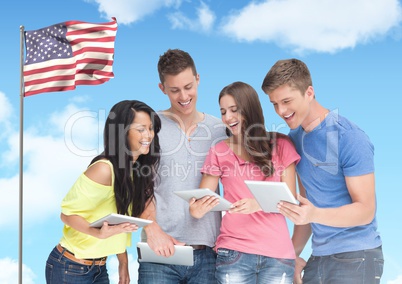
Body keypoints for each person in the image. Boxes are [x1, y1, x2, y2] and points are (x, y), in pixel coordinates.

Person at [261, 58, 384, 284]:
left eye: (287, 101)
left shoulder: (349, 137)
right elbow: (306, 206)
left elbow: (366, 210)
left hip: (357, 256)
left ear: (309, 92)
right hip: (319, 256)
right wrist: (291, 256)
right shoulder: (295, 139)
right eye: (274, 104)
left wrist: (314, 214)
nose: (281, 111)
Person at [189, 81, 300, 284]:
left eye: (233, 110)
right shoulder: (219, 151)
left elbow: (291, 201)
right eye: (223, 111)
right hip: (234, 253)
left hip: (278, 254)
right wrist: (197, 209)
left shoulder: (281, 145)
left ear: (249, 109)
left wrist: (257, 204)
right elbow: (203, 198)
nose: (227, 117)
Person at [45, 100, 161, 284]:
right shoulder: (104, 169)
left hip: (99, 268)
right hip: (70, 267)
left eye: (151, 128)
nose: (149, 135)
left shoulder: (135, 171)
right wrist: (97, 233)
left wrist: (123, 262)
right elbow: (67, 215)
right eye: (141, 129)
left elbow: (119, 220)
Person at [137, 49, 226, 283]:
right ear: (162, 88)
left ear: (198, 79)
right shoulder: (150, 126)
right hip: (159, 250)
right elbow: (136, 184)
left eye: (188, 87)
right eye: (174, 90)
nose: (183, 96)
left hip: (208, 252)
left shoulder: (221, 130)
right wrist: (152, 229)